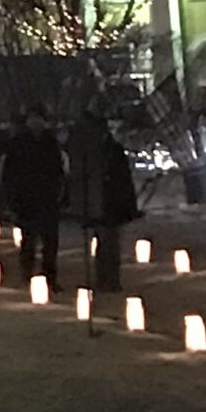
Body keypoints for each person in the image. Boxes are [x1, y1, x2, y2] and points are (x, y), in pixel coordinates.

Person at [63, 106, 138, 290]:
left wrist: (127, 204)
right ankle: (104, 279)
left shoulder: (113, 151)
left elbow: (123, 179)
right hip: (99, 203)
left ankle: (110, 279)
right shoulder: (89, 153)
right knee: (104, 244)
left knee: (110, 244)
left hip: (112, 203)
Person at [0, 109, 65, 283]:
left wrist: (58, 192)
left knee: (50, 242)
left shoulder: (50, 143)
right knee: (29, 240)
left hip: (47, 199)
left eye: (39, 119)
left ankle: (50, 276)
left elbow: (58, 170)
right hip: (26, 200)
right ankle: (27, 275)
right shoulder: (19, 144)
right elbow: (10, 174)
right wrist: (12, 200)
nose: (36, 123)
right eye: (33, 119)